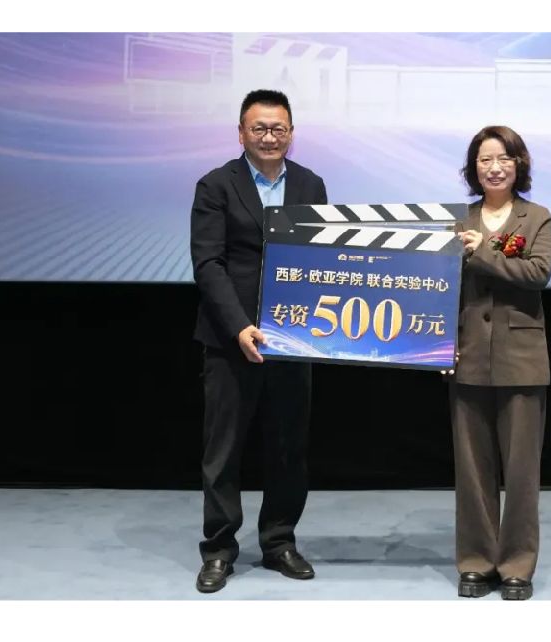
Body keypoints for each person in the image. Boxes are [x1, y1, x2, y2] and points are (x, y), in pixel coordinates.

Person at [189, 89, 328, 593]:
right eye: (259, 128)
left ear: (291, 132)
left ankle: (279, 541)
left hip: (293, 339)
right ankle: (219, 549)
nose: (269, 137)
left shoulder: (311, 184)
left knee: (289, 446)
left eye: (278, 129)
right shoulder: (215, 185)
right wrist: (238, 326)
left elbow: (321, 258)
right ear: (241, 132)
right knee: (223, 450)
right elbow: (209, 263)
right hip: (231, 340)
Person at [449, 125, 551, 600]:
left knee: (521, 470)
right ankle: (476, 562)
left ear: (518, 165)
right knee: (472, 469)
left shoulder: (538, 217)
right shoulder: (458, 219)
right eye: (484, 159)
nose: (494, 167)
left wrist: (484, 251)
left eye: (503, 159)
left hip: (522, 359)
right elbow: (437, 287)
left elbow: (537, 272)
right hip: (467, 354)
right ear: (473, 168)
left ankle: (516, 565)